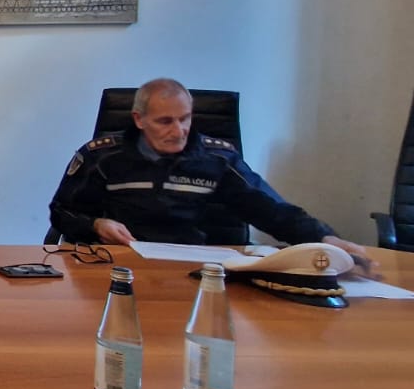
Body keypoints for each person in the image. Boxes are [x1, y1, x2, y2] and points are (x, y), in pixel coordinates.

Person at [49, 78, 375, 270]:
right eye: (165, 121)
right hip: (121, 267)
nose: (179, 130)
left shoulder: (217, 159)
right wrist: (95, 225)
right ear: (139, 119)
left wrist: (324, 239)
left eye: (185, 118)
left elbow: (271, 210)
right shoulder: (102, 157)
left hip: (197, 271)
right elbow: (62, 213)